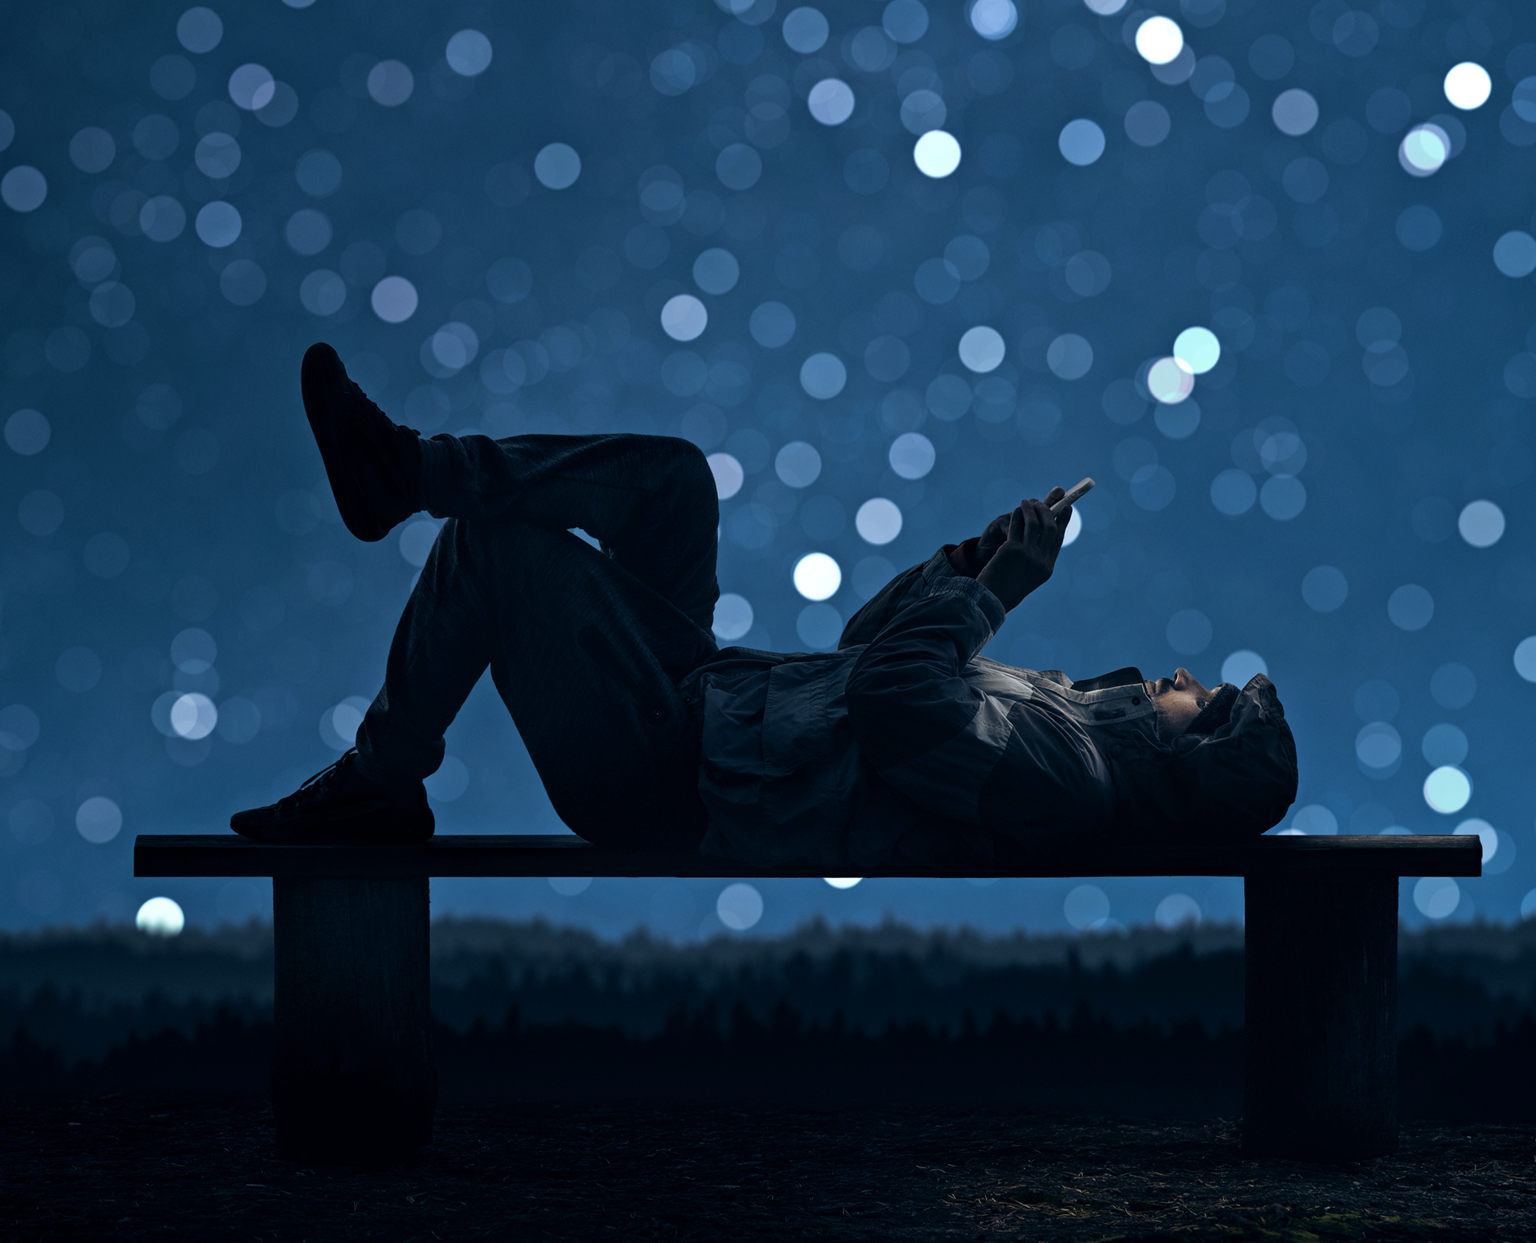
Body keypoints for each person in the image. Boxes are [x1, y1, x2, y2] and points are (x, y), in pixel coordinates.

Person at [231, 345, 1298, 866]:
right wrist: (965, 564)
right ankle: (407, 471)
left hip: (668, 779)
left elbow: (890, 701)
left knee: (497, 553)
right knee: (673, 479)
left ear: (1188, 759)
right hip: (709, 698)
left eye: (1204, 706)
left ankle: (378, 783)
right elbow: (865, 652)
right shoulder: (1067, 722)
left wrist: (1000, 593)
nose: (1184, 682)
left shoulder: (1067, 783)